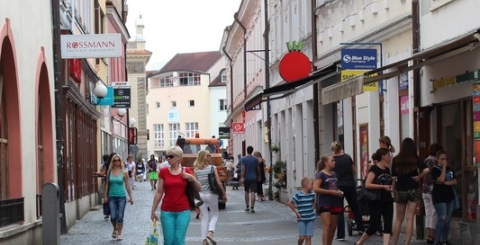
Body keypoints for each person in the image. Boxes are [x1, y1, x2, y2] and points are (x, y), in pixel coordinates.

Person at [150, 146, 202, 245]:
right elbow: (159, 192)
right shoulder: (163, 171)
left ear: (178, 157)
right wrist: (153, 209)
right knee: (168, 241)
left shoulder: (186, 171)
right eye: (167, 156)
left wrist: (191, 177)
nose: (168, 158)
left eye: (171, 156)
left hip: (183, 211)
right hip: (167, 211)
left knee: (179, 240)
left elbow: (199, 188)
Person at [391, 138, 429, 245]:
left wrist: (393, 190)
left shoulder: (396, 159)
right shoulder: (415, 158)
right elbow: (427, 169)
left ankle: (394, 242)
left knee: (398, 218)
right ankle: (407, 243)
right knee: (410, 217)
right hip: (413, 188)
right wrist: (419, 176)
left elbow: (393, 177)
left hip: (400, 188)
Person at [354, 148, 394, 245]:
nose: (389, 157)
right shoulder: (374, 169)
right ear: (383, 156)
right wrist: (383, 187)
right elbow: (368, 184)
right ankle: (360, 242)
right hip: (376, 200)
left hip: (388, 200)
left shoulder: (387, 169)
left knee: (388, 225)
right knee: (373, 226)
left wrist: (392, 188)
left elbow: (389, 182)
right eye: (388, 155)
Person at [331, 141, 364, 240]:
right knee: (355, 206)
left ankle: (341, 235)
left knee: (339, 209)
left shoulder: (332, 160)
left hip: (337, 185)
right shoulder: (347, 157)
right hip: (349, 184)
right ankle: (360, 228)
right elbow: (353, 170)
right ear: (341, 147)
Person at [194, 151, 227, 245]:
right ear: (205, 157)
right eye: (209, 156)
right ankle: (210, 232)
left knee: (204, 217)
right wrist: (224, 193)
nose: (210, 157)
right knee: (215, 214)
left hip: (200, 195)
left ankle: (204, 241)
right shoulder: (212, 168)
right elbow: (219, 182)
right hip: (211, 194)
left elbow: (195, 185)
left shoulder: (196, 170)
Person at [103, 154, 134, 241]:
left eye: (118, 160)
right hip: (111, 197)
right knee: (113, 216)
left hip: (121, 197)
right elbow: (107, 185)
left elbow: (127, 185)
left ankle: (119, 234)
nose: (117, 162)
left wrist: (131, 197)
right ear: (112, 162)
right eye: (115, 160)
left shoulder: (124, 172)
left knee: (120, 216)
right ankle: (114, 229)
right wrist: (105, 196)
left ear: (120, 161)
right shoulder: (109, 171)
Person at [314, 155, 343, 245]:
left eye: (334, 161)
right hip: (324, 202)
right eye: (332, 161)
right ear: (326, 163)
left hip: (335, 202)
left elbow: (334, 187)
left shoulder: (334, 174)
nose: (334, 162)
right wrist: (330, 192)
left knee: (333, 226)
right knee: (327, 224)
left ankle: (329, 243)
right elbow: (316, 188)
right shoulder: (321, 174)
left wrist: (338, 191)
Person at [431, 150, 456, 245]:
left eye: (446, 159)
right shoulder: (435, 169)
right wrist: (444, 167)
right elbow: (440, 179)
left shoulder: (450, 169)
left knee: (448, 220)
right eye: (442, 159)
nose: (444, 161)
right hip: (439, 197)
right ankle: (437, 241)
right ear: (437, 159)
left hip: (450, 197)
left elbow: (454, 181)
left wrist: (445, 183)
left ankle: (444, 240)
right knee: (442, 218)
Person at [422, 143, 443, 244]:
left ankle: (429, 235)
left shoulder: (425, 160)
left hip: (425, 189)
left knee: (428, 212)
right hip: (433, 189)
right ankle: (432, 235)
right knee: (434, 213)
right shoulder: (435, 162)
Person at [288, 176, 316, 245]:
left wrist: (312, 208)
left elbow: (313, 202)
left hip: (310, 218)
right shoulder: (298, 194)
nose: (313, 185)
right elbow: (290, 203)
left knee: (308, 237)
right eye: (312, 184)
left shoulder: (312, 194)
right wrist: (296, 211)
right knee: (302, 237)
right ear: (306, 185)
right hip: (301, 219)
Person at [94, 153, 117, 220]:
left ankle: (107, 212)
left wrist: (96, 173)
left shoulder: (106, 164)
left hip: (108, 182)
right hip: (115, 183)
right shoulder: (117, 164)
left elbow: (102, 173)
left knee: (106, 197)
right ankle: (113, 211)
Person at [240, 146, 261, 213]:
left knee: (246, 192)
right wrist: (259, 176)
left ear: (247, 150)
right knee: (253, 192)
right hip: (254, 177)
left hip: (246, 178)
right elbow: (258, 168)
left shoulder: (243, 159)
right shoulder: (255, 159)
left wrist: (242, 177)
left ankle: (247, 206)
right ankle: (252, 207)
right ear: (252, 151)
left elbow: (243, 168)